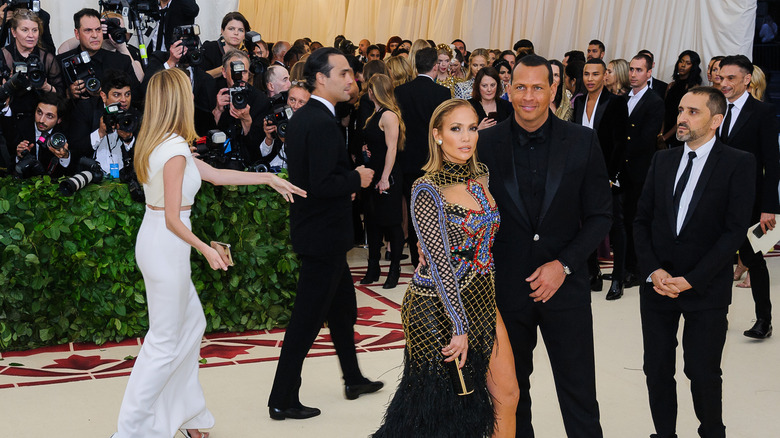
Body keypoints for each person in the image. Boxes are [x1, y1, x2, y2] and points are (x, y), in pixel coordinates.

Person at [112, 67, 305, 438]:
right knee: (164, 343)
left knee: (192, 326)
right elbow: (172, 218)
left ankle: (187, 415)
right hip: (166, 245)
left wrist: (268, 177)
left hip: (161, 243)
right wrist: (204, 249)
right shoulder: (171, 150)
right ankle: (131, 431)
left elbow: (215, 175)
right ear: (178, 100)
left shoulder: (167, 143)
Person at [477, 54, 611, 437]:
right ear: (508, 90)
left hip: (565, 288)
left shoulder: (583, 140)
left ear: (554, 89)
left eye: (538, 87)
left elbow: (601, 215)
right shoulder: (485, 143)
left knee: (579, 393)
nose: (529, 96)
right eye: (520, 87)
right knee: (510, 395)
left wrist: (563, 265)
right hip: (505, 291)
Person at [374, 98, 518, 438]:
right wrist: (458, 326)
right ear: (437, 135)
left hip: (483, 299)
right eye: (456, 129)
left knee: (507, 395)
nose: (466, 137)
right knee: (441, 415)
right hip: (436, 309)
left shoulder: (481, 176)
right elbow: (440, 267)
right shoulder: (427, 189)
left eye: (472, 128)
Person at [267, 47, 382, 420]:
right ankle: (282, 396)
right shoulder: (318, 121)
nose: (352, 79)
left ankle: (353, 378)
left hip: (322, 234)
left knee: (343, 310)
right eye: (344, 73)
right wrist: (357, 177)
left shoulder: (310, 117)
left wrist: (345, 179)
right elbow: (320, 182)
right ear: (321, 78)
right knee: (306, 319)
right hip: (322, 237)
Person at [634, 86, 755, 438]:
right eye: (681, 110)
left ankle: (713, 432)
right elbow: (641, 221)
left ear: (716, 120)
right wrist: (654, 271)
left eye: (693, 112)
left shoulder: (738, 163)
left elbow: (733, 232)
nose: (682, 118)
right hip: (658, 285)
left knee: (702, 371)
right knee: (656, 369)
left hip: (706, 286)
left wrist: (691, 279)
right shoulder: (663, 160)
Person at [717, 55, 780, 339]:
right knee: (716, 260)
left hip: (750, 201)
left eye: (732, 78)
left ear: (746, 79)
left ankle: (763, 320)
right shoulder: (712, 109)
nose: (725, 83)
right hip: (715, 199)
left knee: (753, 259)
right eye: (721, 77)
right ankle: (718, 315)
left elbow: (773, 162)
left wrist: (769, 207)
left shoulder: (763, 112)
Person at [573, 58, 629, 300]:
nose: (590, 79)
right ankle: (593, 273)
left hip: (608, 175)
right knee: (585, 224)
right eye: (586, 74)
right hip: (582, 175)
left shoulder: (616, 103)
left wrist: (612, 175)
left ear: (605, 75)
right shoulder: (578, 103)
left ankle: (618, 278)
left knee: (616, 224)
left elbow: (620, 142)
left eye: (595, 74)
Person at [395, 47, 451, 267]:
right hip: (433, 160)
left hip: (407, 158)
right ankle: (431, 255)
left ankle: (414, 254)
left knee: (412, 208)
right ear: (436, 66)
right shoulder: (442, 94)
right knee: (433, 210)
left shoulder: (401, 91)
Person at [359, 74, 406, 289]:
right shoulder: (375, 113)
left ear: (373, 91)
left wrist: (386, 177)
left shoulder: (389, 115)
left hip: (387, 175)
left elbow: (392, 148)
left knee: (392, 223)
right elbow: (377, 143)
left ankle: (394, 270)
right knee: (373, 222)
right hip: (373, 172)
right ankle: (373, 267)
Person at [623, 53, 664, 288]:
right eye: (631, 69)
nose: (633, 74)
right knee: (622, 220)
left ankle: (637, 268)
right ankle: (625, 266)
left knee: (636, 220)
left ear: (649, 73)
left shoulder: (654, 101)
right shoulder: (622, 98)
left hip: (640, 170)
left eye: (639, 70)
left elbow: (646, 138)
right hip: (622, 170)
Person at [0, 7, 62, 141]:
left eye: (35, 30)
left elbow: (62, 94)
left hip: (39, 122)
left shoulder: (47, 58)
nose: (31, 35)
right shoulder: (3, 56)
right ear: (13, 32)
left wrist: (46, 87)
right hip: (8, 120)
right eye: (25, 30)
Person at [66, 70, 138, 176]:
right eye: (117, 95)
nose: (124, 100)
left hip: (125, 179)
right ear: (103, 96)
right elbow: (75, 149)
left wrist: (128, 139)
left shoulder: (135, 115)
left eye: (127, 94)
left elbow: (143, 156)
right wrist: (99, 133)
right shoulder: (86, 109)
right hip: (91, 179)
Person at [57, 8, 139, 100]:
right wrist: (68, 94)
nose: (95, 35)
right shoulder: (61, 61)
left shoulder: (121, 61)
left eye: (98, 29)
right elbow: (52, 101)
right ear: (77, 33)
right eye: (88, 30)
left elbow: (137, 97)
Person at [8, 92, 73, 179]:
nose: (41, 120)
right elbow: (9, 164)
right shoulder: (21, 127)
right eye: (39, 112)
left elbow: (70, 172)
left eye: (49, 116)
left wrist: (65, 157)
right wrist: (19, 157)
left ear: (59, 120)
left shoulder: (66, 135)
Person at [257, 81, 310, 172]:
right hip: (272, 174)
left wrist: (287, 142)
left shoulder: (312, 126)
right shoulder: (279, 117)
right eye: (292, 100)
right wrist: (269, 138)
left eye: (301, 102)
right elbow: (263, 154)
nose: (295, 106)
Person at [661, 50, 702, 148]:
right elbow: (664, 111)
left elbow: (686, 116)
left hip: (680, 134)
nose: (683, 65)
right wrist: (661, 134)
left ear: (693, 67)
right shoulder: (671, 86)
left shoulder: (693, 88)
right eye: (681, 61)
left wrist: (666, 137)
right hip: (663, 133)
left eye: (688, 63)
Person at [200, 12, 250, 77]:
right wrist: (227, 67)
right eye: (231, 29)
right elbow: (199, 78)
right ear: (222, 31)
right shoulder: (210, 48)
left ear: (244, 35)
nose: (236, 33)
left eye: (240, 30)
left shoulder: (244, 55)